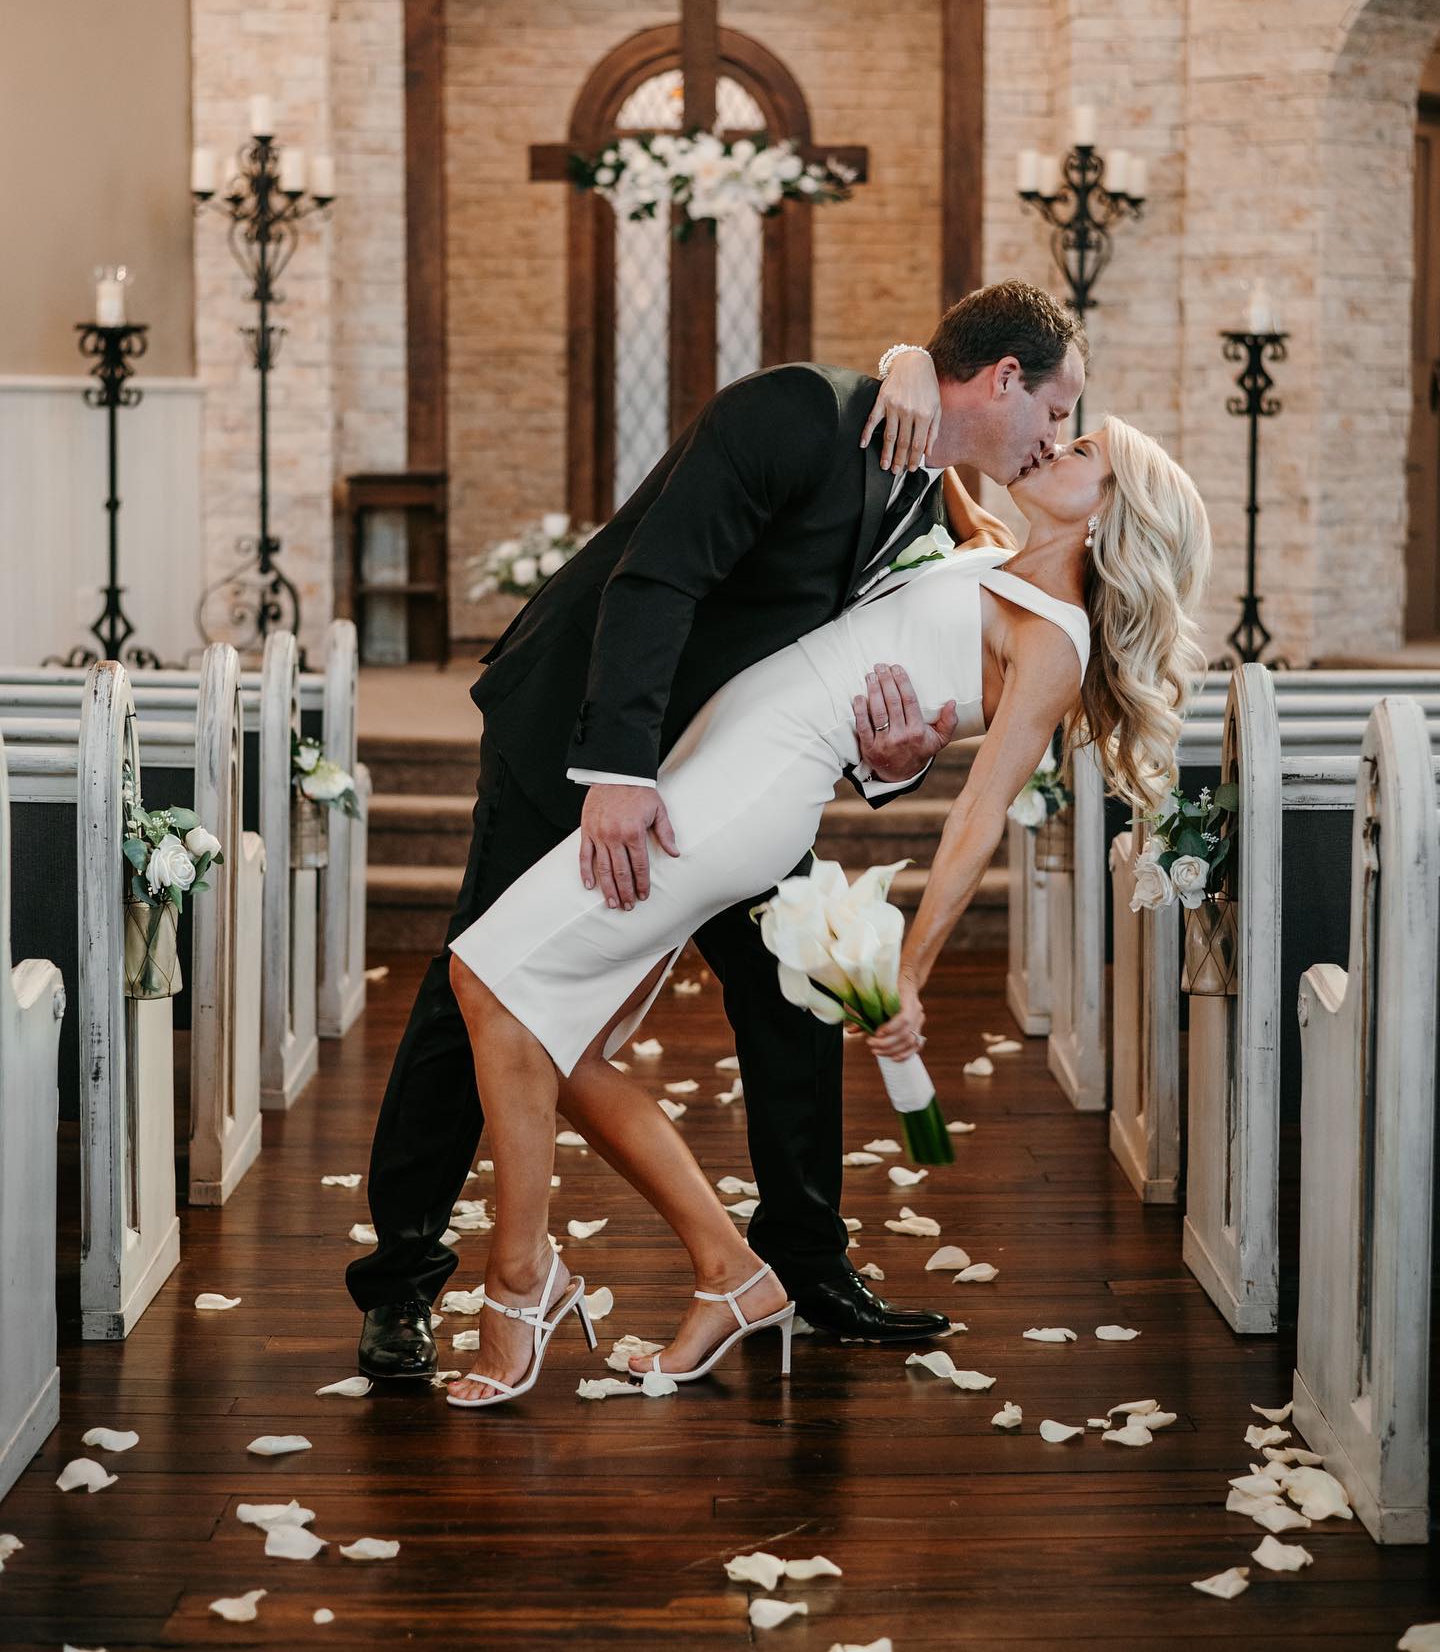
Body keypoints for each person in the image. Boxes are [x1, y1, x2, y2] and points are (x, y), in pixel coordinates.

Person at [348, 280, 1088, 1383]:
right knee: (482, 989)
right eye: (1057, 410)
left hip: (739, 774)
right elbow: (658, 581)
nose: (1055, 439)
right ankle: (405, 1278)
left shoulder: (940, 503)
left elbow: (879, 670)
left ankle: (801, 1264)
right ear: (1001, 380)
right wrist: (616, 772)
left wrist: (898, 759)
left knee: (791, 997)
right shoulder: (800, 414)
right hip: (589, 732)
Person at [441, 413, 1211, 1405]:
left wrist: (912, 974)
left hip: (746, 796)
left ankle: (519, 1284)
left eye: (1080, 455)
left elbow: (978, 816)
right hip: (718, 751)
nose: (1052, 451)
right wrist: (908, 365)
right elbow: (946, 461)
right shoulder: (993, 555)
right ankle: (731, 1275)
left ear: (1113, 514)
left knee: (487, 979)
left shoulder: (1053, 637)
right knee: (560, 1041)